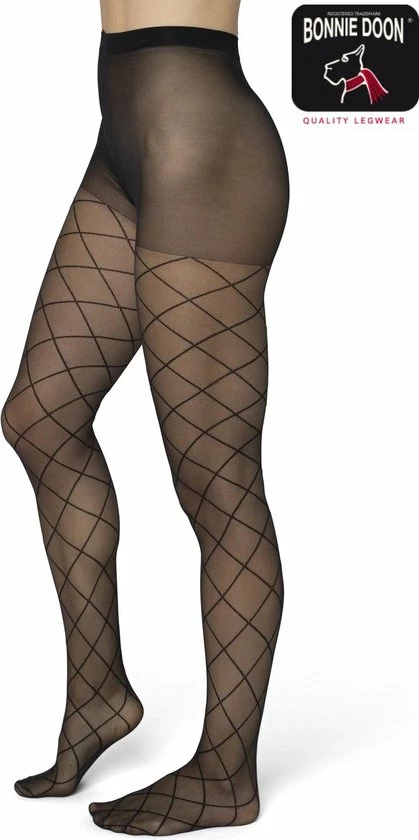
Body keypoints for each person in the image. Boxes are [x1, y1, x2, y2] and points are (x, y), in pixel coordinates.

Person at [1, 0, 289, 833]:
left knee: (214, 477)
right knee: (40, 416)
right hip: (124, 136)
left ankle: (225, 774)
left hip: (203, 140)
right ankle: (98, 691)